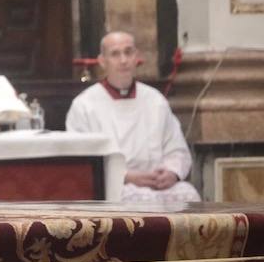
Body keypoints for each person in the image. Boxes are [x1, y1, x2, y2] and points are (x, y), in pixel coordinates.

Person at [65, 32, 200, 203]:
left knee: (189, 195)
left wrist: (172, 173)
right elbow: (83, 161)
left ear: (137, 57)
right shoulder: (84, 105)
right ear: (102, 61)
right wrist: (127, 177)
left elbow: (176, 148)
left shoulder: (155, 100)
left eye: (128, 52)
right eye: (115, 54)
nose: (123, 60)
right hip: (115, 187)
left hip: (158, 184)